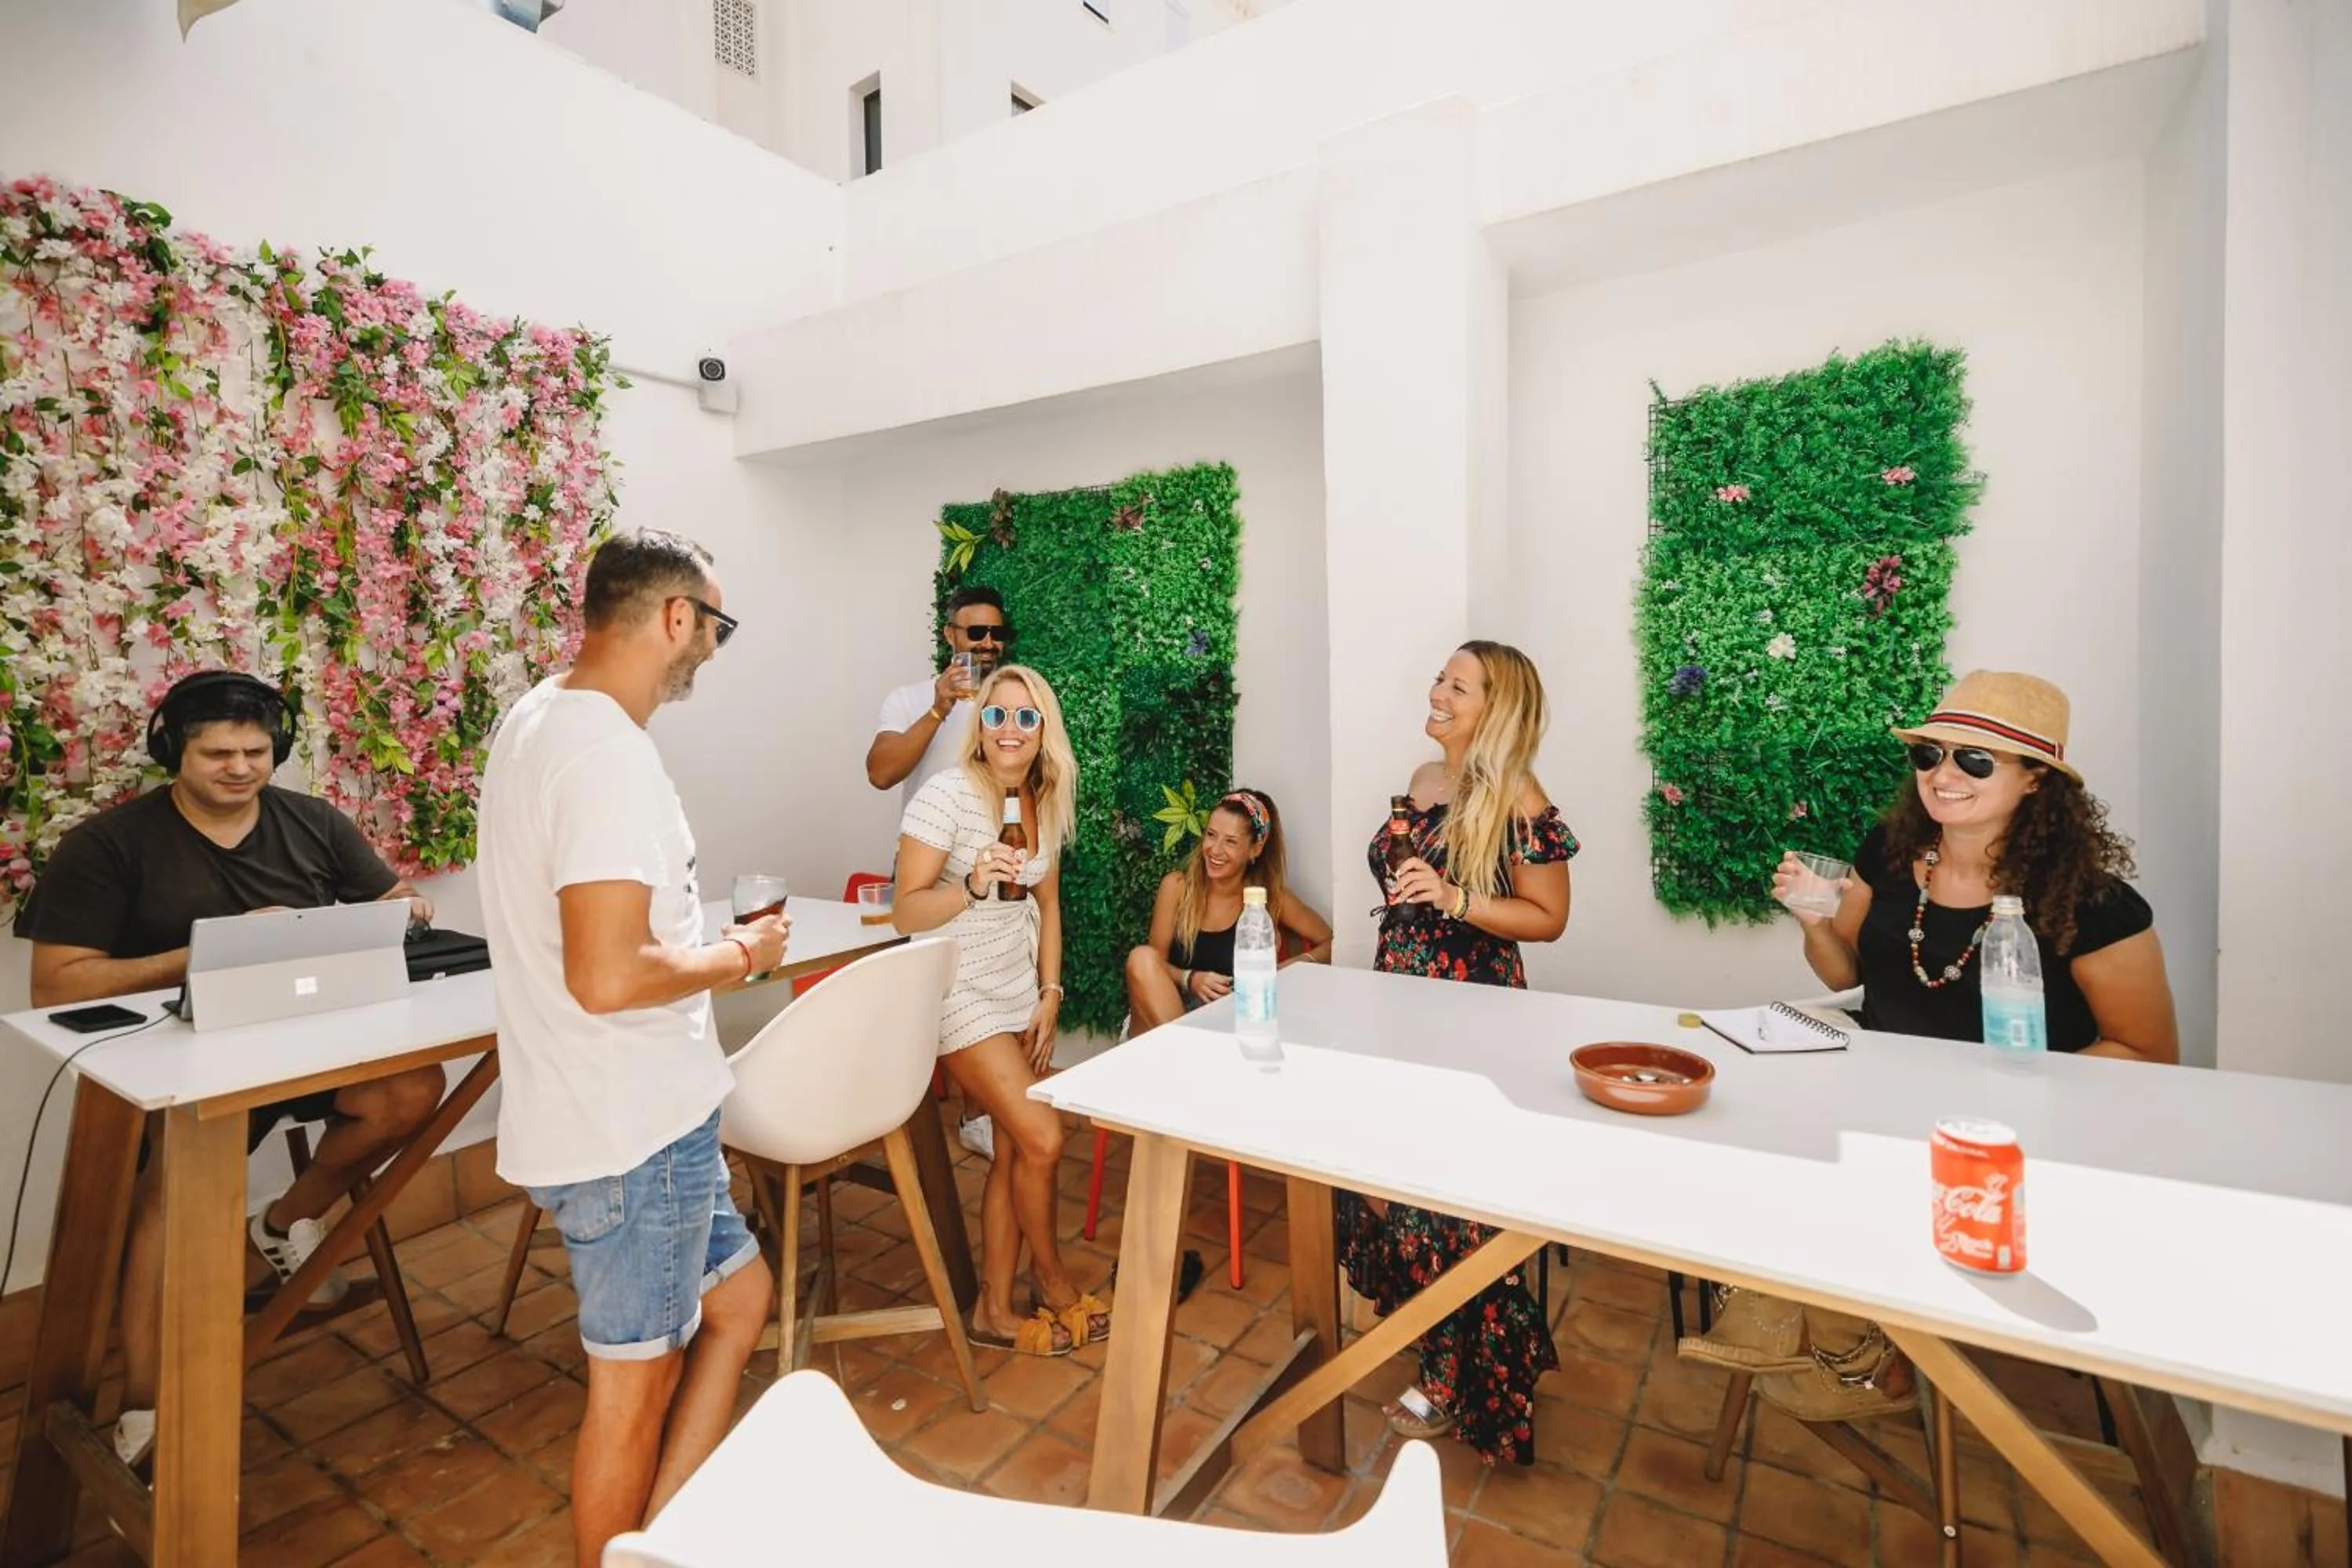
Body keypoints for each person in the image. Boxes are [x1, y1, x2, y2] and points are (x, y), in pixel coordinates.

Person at [16, 670, 445, 1472]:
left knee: (414, 1089)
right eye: (218, 753)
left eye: (256, 750)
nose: (241, 767)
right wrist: (210, 947)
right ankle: (144, 1406)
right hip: (188, 1057)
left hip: (307, 1040)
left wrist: (405, 905)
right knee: (169, 1197)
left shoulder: (312, 820)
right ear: (174, 748)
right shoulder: (108, 844)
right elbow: (59, 982)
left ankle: (282, 1224)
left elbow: (393, 894)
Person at [477, 529, 786, 1566]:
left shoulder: (537, 721)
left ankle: (666, 1538)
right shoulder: (608, 754)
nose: (712, 649)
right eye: (715, 625)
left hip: (638, 1120)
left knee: (741, 1303)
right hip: (630, 1132)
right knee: (633, 1385)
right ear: (672, 618)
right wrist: (740, 955)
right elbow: (607, 975)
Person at [1342, 641, 1575, 1466]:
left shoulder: (1516, 792)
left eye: (1457, 684)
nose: (1436, 690)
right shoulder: (1425, 779)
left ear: (1496, 706)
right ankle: (1436, 1336)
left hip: (1472, 1016)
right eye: (1439, 676)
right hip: (1401, 1006)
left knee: (1447, 1204)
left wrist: (1455, 895)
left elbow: (1547, 915)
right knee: (1386, 1185)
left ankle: (1454, 1374)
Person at [1773, 669, 2178, 1062]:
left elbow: (2147, 1052)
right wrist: (1817, 926)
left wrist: (2011, 1089)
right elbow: (1845, 976)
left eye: (1976, 760)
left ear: (2034, 779)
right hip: (1883, 1083)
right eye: (1928, 754)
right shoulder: (1888, 849)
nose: (1942, 775)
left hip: (2011, 1112)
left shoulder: (2093, 903)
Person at [891, 663, 1107, 1357]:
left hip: (1018, 991)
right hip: (958, 993)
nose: (1009, 729)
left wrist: (1051, 994)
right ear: (977, 726)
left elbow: (1048, 903)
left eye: (1024, 717)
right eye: (995, 715)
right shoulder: (945, 797)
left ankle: (992, 1308)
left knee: (1016, 1148)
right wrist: (972, 885)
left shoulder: (1042, 797)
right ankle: (1052, 1282)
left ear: (1044, 731)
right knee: (1044, 1138)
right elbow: (906, 911)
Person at [867, 584, 1014, 1160]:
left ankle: (983, 1112)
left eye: (996, 634)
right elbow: (881, 773)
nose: (986, 644)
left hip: (995, 865)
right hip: (928, 867)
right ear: (949, 635)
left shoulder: (1011, 698)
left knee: (990, 987)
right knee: (924, 993)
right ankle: (905, 1117)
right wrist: (939, 707)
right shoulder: (908, 699)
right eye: (974, 632)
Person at [1124, 787, 1332, 1031]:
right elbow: (1154, 965)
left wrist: (1285, 970)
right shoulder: (1177, 887)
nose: (1215, 850)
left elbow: (1330, 943)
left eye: (1231, 841)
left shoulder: (1269, 899)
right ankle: (1185, 1056)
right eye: (1211, 835)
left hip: (1226, 1025)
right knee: (1141, 957)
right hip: (1164, 1018)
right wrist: (1190, 979)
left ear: (1255, 849)